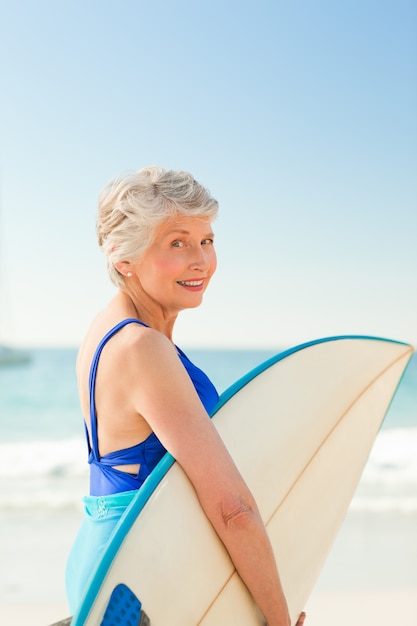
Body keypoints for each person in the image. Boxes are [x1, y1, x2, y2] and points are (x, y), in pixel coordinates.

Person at [65, 166, 306, 626]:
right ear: (123, 257)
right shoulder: (143, 347)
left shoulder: (107, 328)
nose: (201, 260)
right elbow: (232, 509)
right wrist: (278, 618)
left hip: (106, 550)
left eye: (207, 240)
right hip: (141, 573)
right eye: (177, 243)